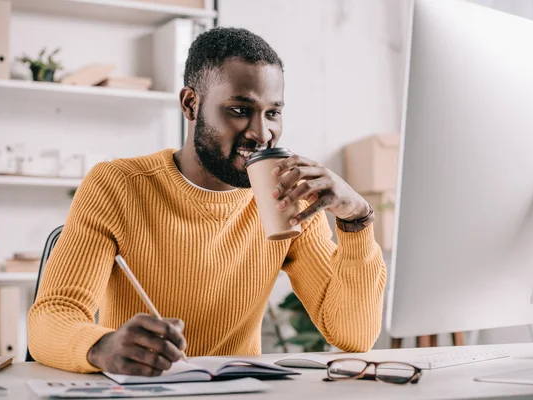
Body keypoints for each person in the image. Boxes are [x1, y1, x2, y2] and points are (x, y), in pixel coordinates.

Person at [28, 27, 386, 376]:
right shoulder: (117, 186)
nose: (261, 133)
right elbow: (53, 316)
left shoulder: (288, 196)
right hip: (145, 388)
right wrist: (102, 346)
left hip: (240, 390)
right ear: (190, 104)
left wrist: (357, 219)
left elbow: (353, 336)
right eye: (239, 109)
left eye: (273, 112)